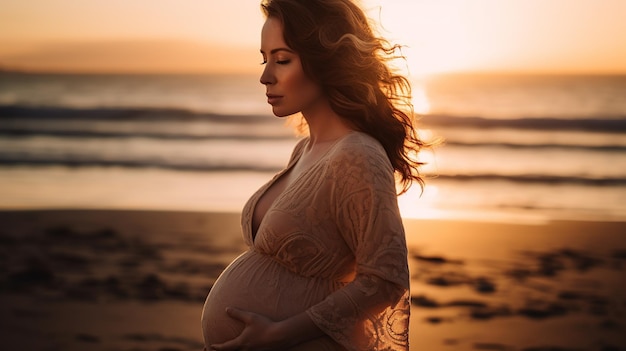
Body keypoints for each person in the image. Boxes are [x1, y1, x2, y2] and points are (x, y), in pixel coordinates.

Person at [201, 0, 426, 350]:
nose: (265, 76)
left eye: (282, 60)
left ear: (325, 62)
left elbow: (385, 280)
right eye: (265, 59)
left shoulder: (358, 156)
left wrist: (278, 334)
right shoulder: (305, 150)